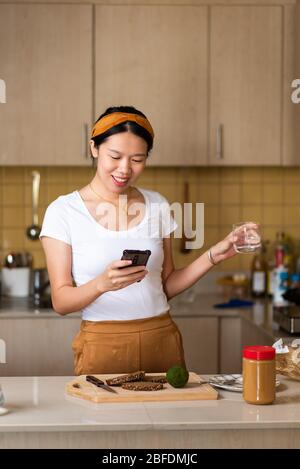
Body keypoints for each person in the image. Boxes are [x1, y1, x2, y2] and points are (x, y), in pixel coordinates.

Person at [40, 105, 237, 375]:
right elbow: (61, 301)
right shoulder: (63, 211)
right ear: (94, 148)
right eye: (115, 156)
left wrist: (213, 255)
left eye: (137, 159)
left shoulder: (157, 204)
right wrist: (102, 284)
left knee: (171, 418)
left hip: (162, 338)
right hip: (102, 343)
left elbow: (165, 285)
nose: (125, 169)